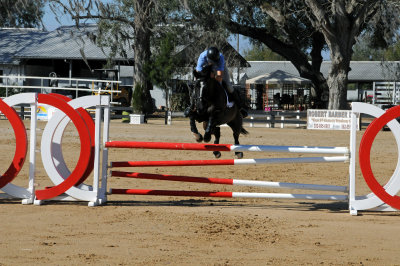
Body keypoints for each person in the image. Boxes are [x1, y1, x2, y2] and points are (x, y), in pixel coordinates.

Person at [185, 47, 248, 117]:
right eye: (212, 61)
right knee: (196, 85)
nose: (213, 63)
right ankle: (191, 107)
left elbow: (219, 77)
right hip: (205, 69)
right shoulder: (202, 57)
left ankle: (240, 108)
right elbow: (198, 74)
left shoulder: (220, 58)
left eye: (214, 61)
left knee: (229, 86)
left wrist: (213, 79)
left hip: (219, 70)